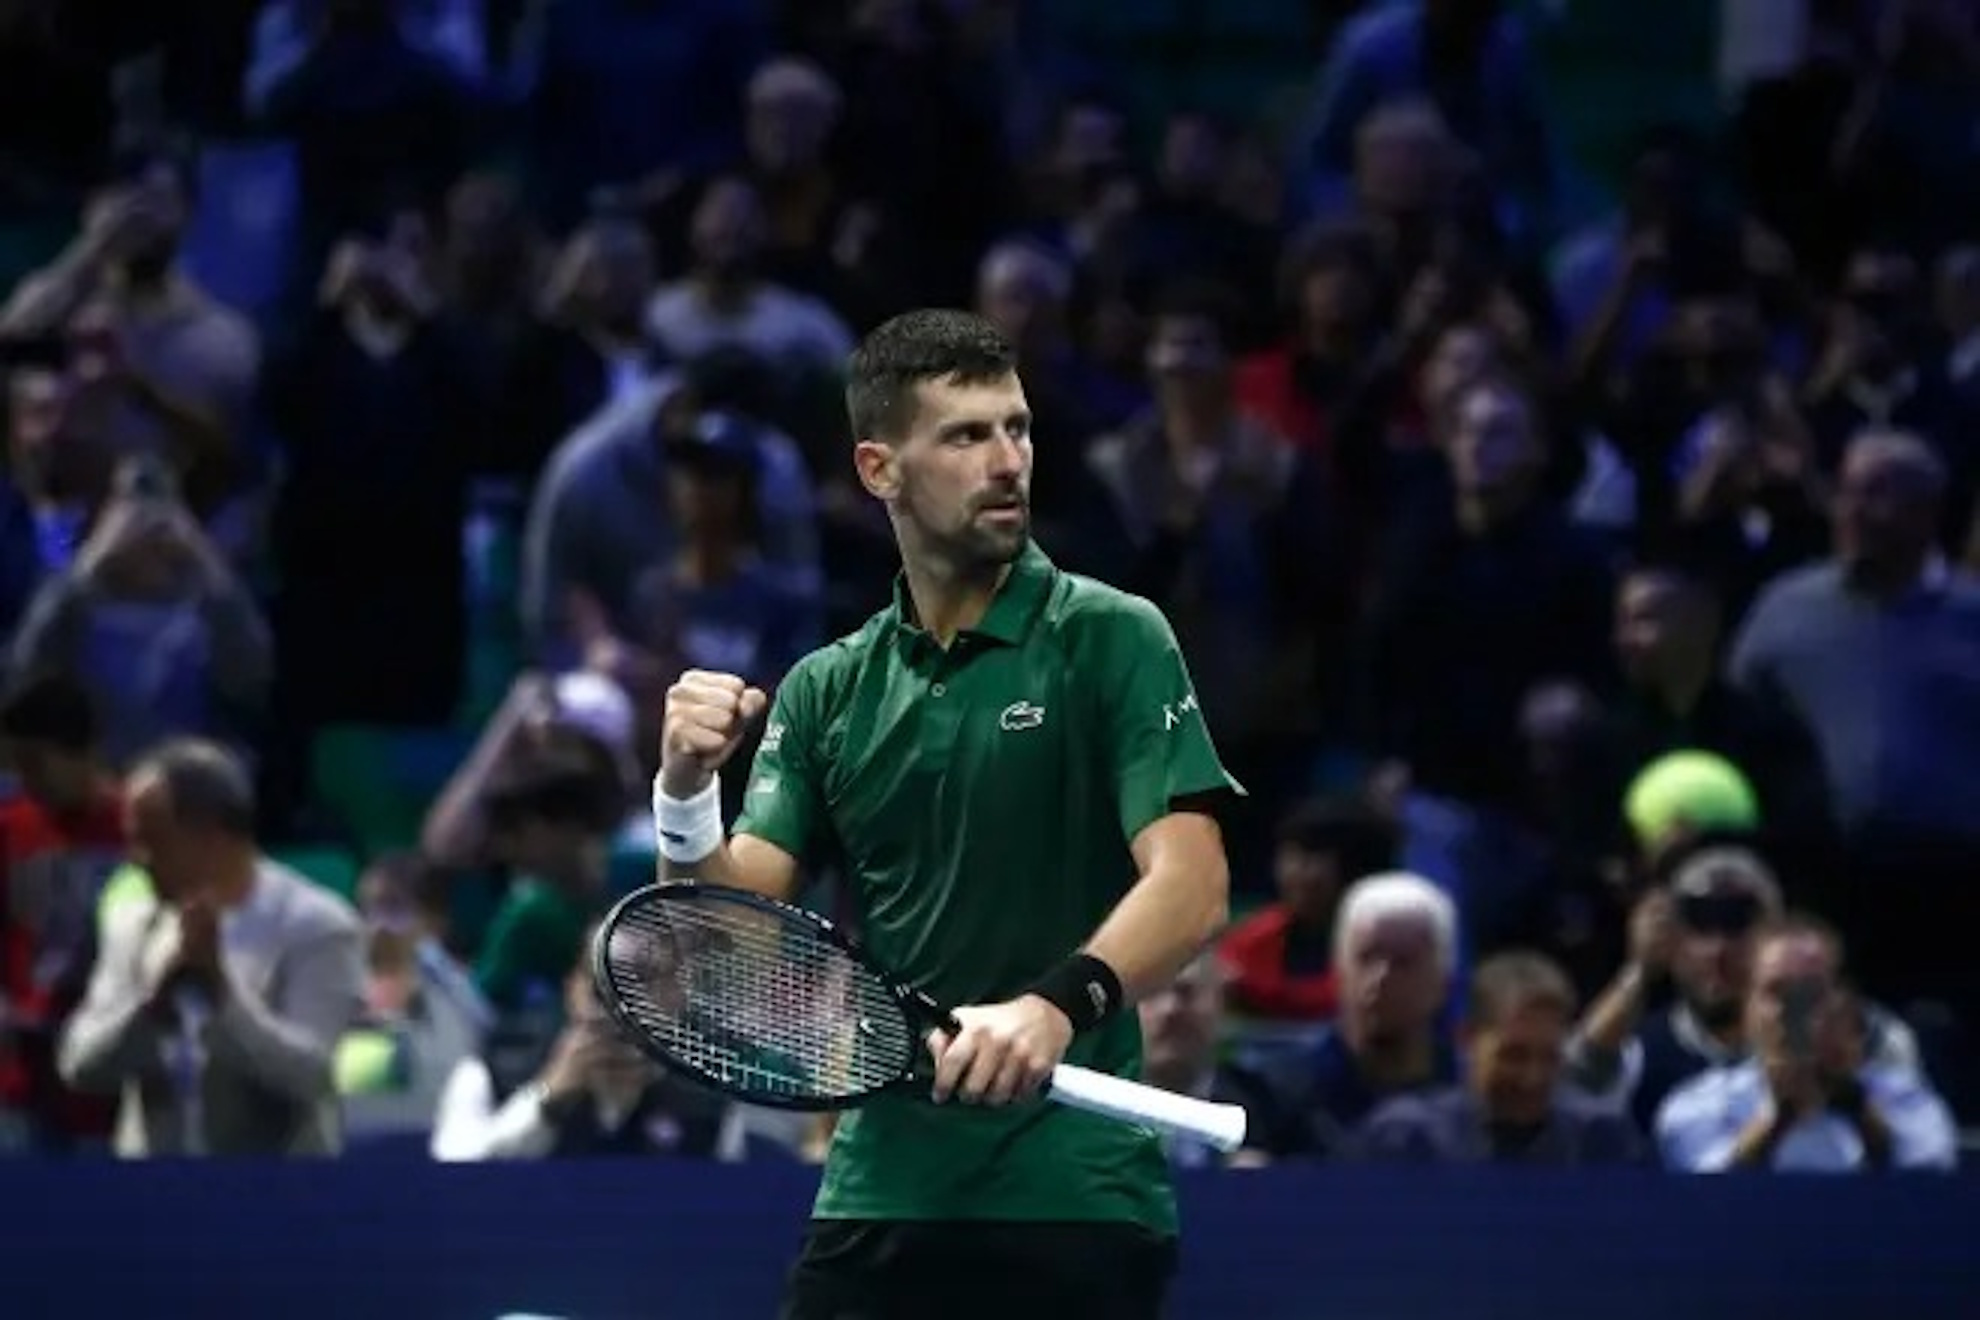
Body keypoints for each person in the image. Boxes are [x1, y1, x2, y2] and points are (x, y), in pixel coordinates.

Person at [655, 309, 1238, 1320]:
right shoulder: (826, 690)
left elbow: (1193, 882)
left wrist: (1052, 1009)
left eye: (1015, 429)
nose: (1006, 460)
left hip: (1076, 1201)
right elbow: (726, 942)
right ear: (880, 470)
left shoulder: (1113, 638)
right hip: (881, 1192)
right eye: (966, 437)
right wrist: (682, 794)